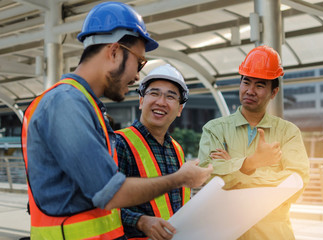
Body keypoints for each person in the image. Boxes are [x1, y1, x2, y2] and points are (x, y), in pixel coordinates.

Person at [21, 2, 212, 240]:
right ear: (114, 52)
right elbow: (110, 194)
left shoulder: (86, 107)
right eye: (139, 62)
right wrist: (180, 178)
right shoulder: (65, 103)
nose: (136, 76)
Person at [198, 45, 310, 240]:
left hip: (273, 235)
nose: (250, 90)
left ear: (273, 92)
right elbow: (208, 178)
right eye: (246, 82)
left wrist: (232, 170)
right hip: (227, 233)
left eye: (259, 85)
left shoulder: (288, 132)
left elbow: (295, 184)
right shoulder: (214, 129)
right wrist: (251, 163)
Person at [115, 64, 190, 240]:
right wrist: (141, 221)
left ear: (179, 109)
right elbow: (104, 202)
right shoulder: (120, 143)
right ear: (141, 101)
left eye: (170, 96)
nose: (161, 102)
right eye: (154, 93)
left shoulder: (177, 150)